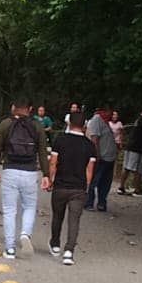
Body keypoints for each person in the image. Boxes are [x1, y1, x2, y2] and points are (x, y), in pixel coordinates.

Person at [0, 98, 49, 259]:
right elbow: (43, 153)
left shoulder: (5, 124)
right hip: (30, 172)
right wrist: (46, 174)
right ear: (30, 109)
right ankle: (25, 234)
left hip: (10, 170)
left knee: (9, 210)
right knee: (29, 207)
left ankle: (10, 248)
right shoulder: (37, 126)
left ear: (13, 108)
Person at [44, 111, 94, 265]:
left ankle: (55, 243)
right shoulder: (89, 145)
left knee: (57, 216)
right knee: (74, 221)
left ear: (69, 123)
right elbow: (89, 171)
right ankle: (69, 251)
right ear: (85, 126)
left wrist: (49, 179)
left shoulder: (61, 140)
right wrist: (85, 187)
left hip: (60, 185)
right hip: (78, 189)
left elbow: (53, 163)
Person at [85, 104, 118, 213]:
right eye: (110, 112)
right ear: (106, 111)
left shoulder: (105, 121)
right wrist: (96, 154)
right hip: (101, 157)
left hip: (109, 157)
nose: (112, 114)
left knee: (105, 182)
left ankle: (102, 203)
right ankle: (89, 202)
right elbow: (94, 138)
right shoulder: (97, 120)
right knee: (94, 180)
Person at [120, 106, 142, 196]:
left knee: (128, 167)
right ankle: (136, 189)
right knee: (137, 169)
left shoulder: (139, 120)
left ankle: (122, 187)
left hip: (133, 146)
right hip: (137, 148)